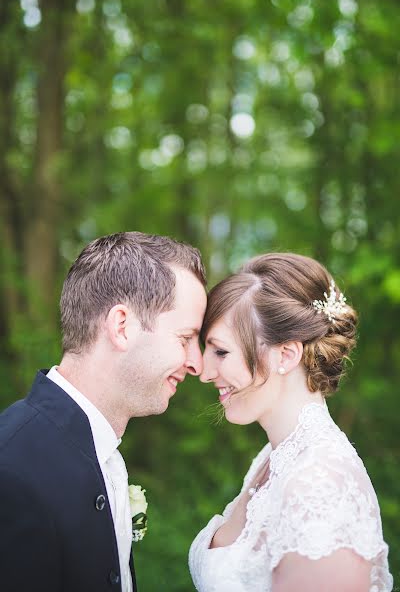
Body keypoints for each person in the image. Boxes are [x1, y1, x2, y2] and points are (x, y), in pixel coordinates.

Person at [0, 231, 207, 592]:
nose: (197, 364)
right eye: (185, 338)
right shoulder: (11, 469)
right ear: (121, 327)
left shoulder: (103, 452)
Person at [189, 252, 393, 592]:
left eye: (221, 352)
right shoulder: (273, 459)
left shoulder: (320, 485)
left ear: (286, 354)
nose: (205, 373)